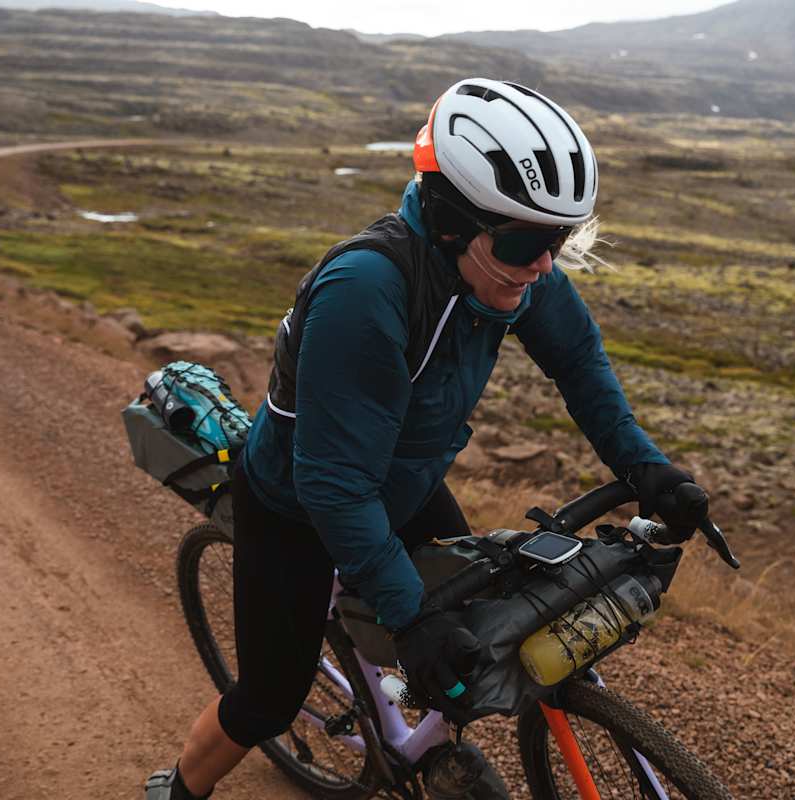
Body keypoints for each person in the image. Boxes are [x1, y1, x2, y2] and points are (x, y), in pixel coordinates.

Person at [145, 77, 706, 800]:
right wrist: (409, 617)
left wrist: (646, 465)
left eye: (560, 239)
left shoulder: (510, 270)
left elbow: (578, 365)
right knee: (269, 698)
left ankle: (418, 740)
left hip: (404, 483)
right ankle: (177, 788)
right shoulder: (366, 290)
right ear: (447, 219)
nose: (545, 263)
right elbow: (333, 484)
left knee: (477, 632)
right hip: (299, 506)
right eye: (528, 240)